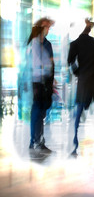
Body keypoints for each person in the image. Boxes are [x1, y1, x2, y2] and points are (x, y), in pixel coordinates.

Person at [67, 19, 94, 162]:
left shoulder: (75, 44)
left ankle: (75, 147)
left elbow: (70, 62)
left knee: (78, 117)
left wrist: (78, 73)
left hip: (84, 84)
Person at [27, 17, 55, 153]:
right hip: (37, 82)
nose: (48, 30)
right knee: (37, 111)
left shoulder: (47, 44)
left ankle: (39, 141)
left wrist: (51, 79)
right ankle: (33, 141)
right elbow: (36, 64)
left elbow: (50, 63)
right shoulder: (34, 43)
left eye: (49, 27)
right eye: (46, 27)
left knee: (41, 112)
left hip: (45, 82)